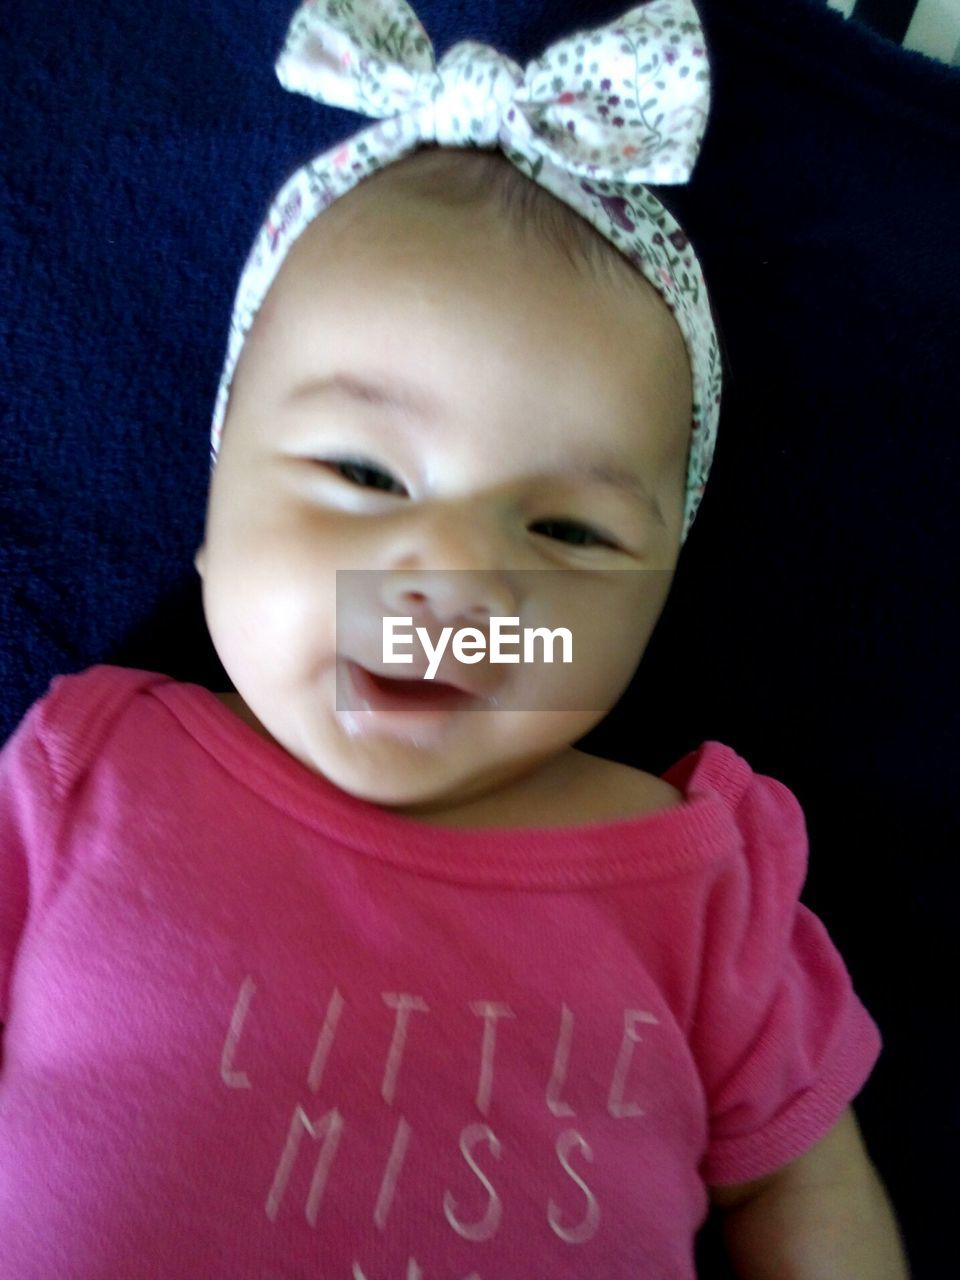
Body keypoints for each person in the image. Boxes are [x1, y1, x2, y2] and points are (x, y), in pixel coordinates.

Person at [0, 1, 909, 1276]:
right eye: (366, 472)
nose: (452, 581)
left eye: (571, 534)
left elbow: (804, 1190)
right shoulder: (85, 772)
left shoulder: (703, 876)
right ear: (211, 508)